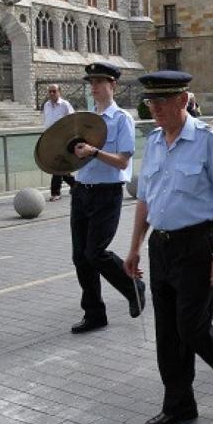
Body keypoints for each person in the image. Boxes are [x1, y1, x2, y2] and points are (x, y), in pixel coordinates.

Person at [125, 70, 213, 424]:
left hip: (198, 245)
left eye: (162, 101)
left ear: (183, 100)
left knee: (191, 328)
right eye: (151, 102)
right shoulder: (156, 142)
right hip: (161, 248)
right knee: (168, 334)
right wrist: (134, 249)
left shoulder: (208, 140)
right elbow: (145, 200)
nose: (155, 108)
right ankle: (178, 404)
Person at [68, 62, 145, 334]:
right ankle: (94, 313)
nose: (94, 87)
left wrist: (93, 152)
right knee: (80, 257)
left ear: (113, 85)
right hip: (81, 192)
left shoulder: (121, 118)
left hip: (106, 193)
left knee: (95, 252)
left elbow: (123, 162)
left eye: (99, 82)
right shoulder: (86, 120)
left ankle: (133, 286)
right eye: (91, 82)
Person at [42, 84, 76, 202]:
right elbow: (46, 121)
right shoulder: (46, 105)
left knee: (56, 166)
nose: (51, 94)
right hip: (50, 139)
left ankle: (55, 192)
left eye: (54, 91)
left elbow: (74, 120)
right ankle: (75, 185)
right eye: (50, 91)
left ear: (59, 92)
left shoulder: (65, 105)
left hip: (63, 139)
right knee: (60, 166)